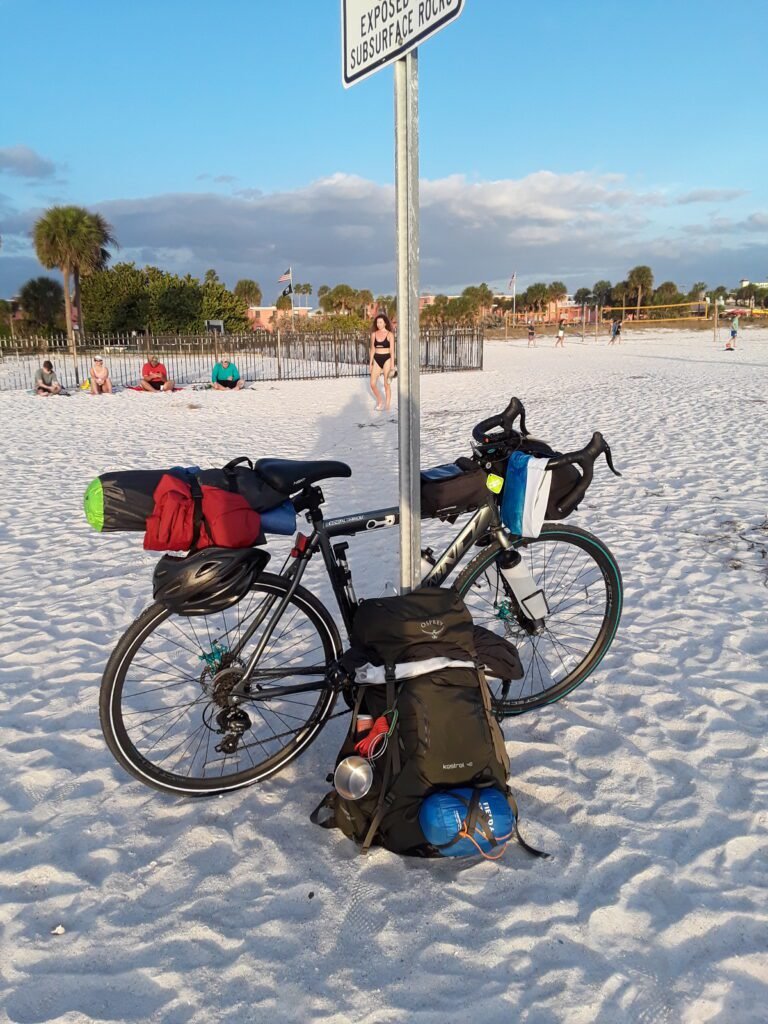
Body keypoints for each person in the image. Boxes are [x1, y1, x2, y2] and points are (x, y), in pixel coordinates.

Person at [369, 313, 396, 412]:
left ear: (385, 323)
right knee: (372, 383)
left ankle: (388, 405)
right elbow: (372, 349)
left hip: (387, 359)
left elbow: (392, 351)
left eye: (380, 322)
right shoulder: (373, 334)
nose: (378, 324)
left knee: (386, 384)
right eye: (377, 322)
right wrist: (371, 363)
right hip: (377, 359)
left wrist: (392, 366)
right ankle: (380, 401)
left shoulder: (390, 335)